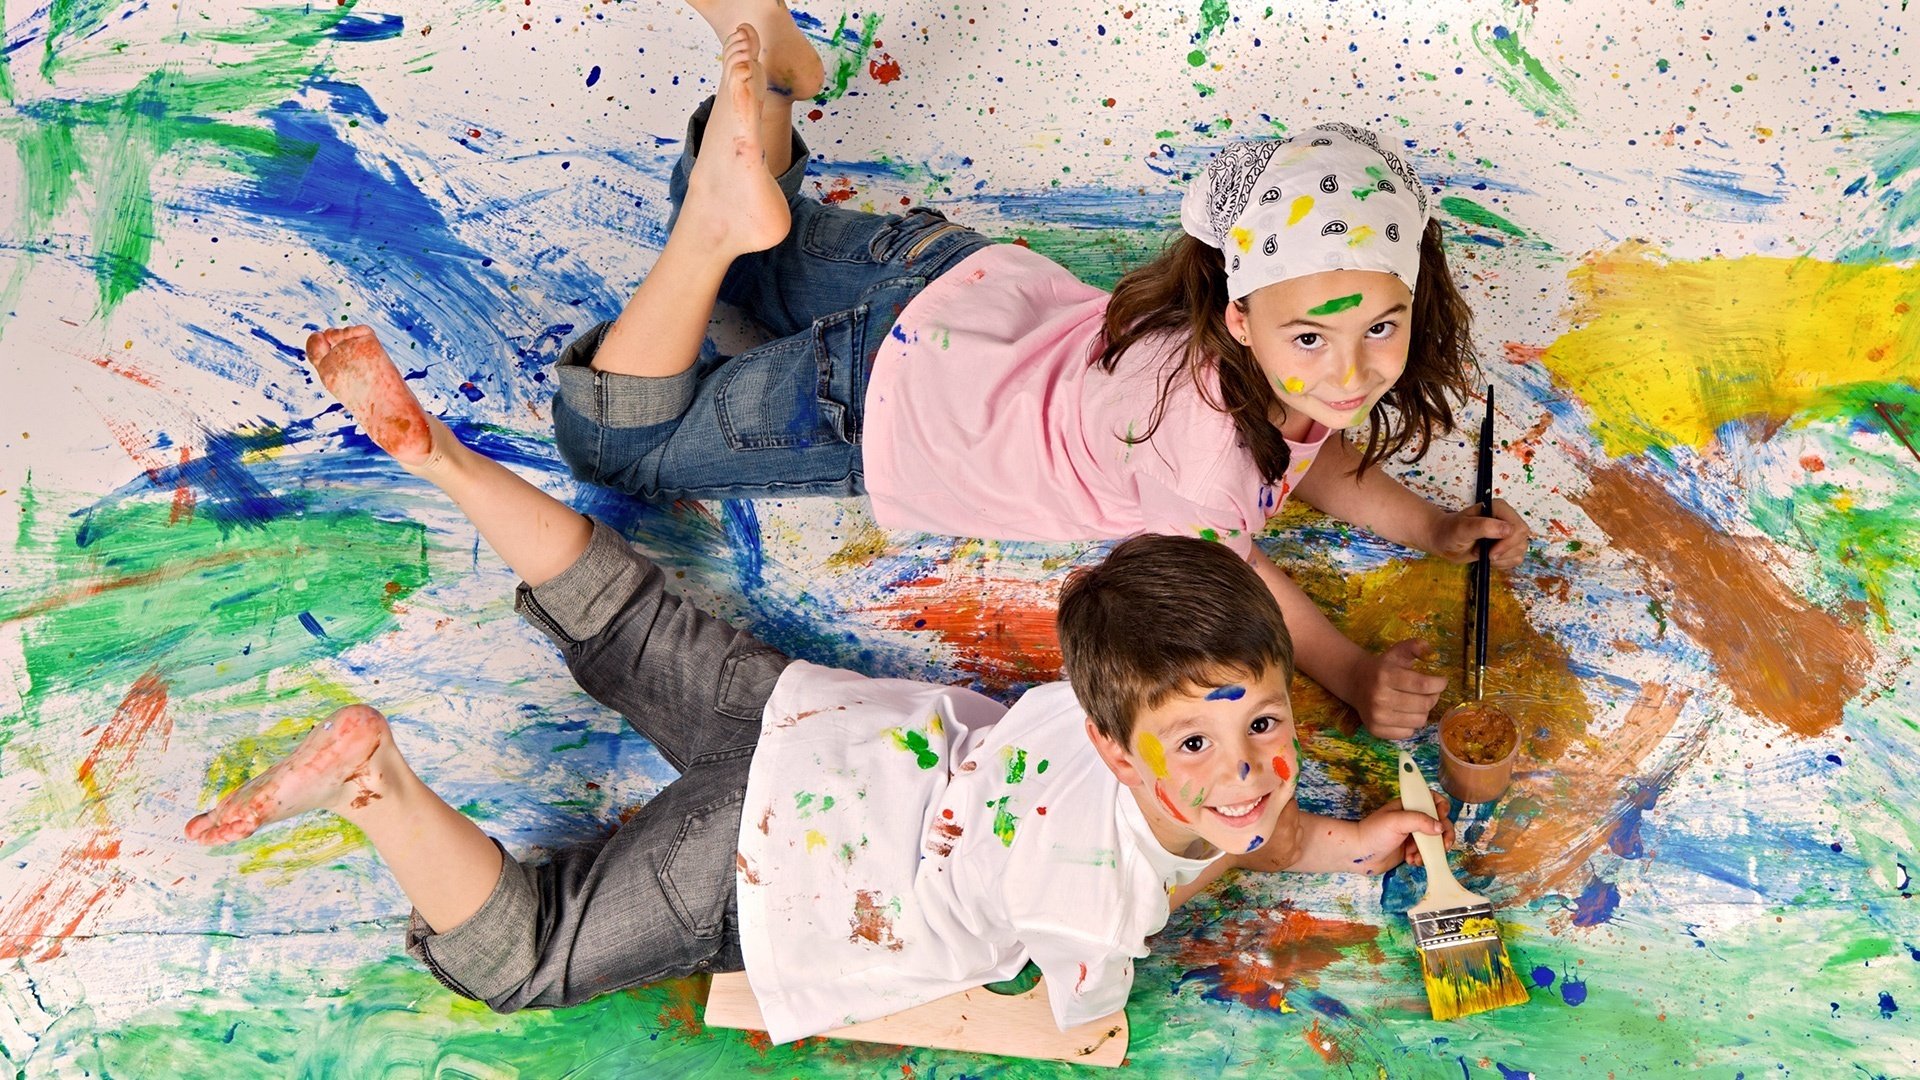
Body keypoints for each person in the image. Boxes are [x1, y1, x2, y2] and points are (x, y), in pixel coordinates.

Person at [184, 314, 1457, 1042]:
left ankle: (448, 462)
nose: (1245, 770)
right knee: (522, 955)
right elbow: (1074, 1018)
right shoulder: (1098, 909)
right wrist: (1074, 1026)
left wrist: (1342, 845)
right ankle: (377, 784)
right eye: (1201, 745)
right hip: (785, 863)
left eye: (1267, 725)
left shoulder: (1105, 696)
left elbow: (1231, 820)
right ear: (1122, 753)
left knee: (627, 617)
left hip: (819, 723)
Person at [321, 0, 1529, 741]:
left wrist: (1423, 524)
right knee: (616, 443)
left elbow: (1320, 453)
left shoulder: (1254, 340)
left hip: (942, 279)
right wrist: (1355, 669)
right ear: (1245, 315)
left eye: (1382, 327)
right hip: (881, 400)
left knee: (762, 261)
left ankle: (766, 71)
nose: (1352, 370)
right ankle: (709, 222)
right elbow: (1252, 582)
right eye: (1315, 340)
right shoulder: (1202, 464)